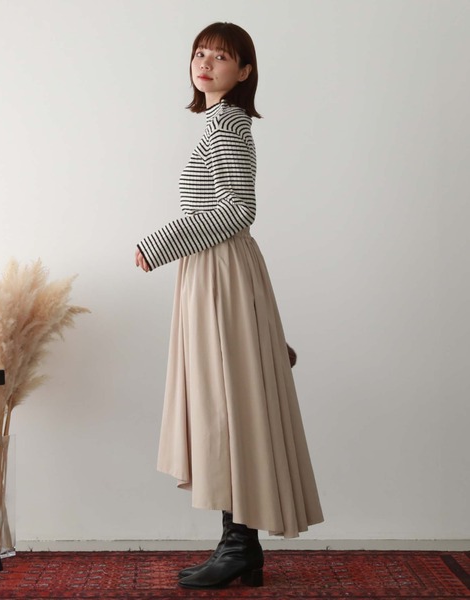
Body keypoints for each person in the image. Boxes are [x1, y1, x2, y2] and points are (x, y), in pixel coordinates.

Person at [135, 22, 324, 590]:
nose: (205, 62)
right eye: (200, 53)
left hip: (220, 271)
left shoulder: (229, 126)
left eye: (221, 56)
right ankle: (239, 546)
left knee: (226, 401)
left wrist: (160, 244)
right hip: (212, 271)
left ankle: (240, 546)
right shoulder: (219, 123)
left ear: (243, 72)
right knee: (224, 400)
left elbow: (238, 210)